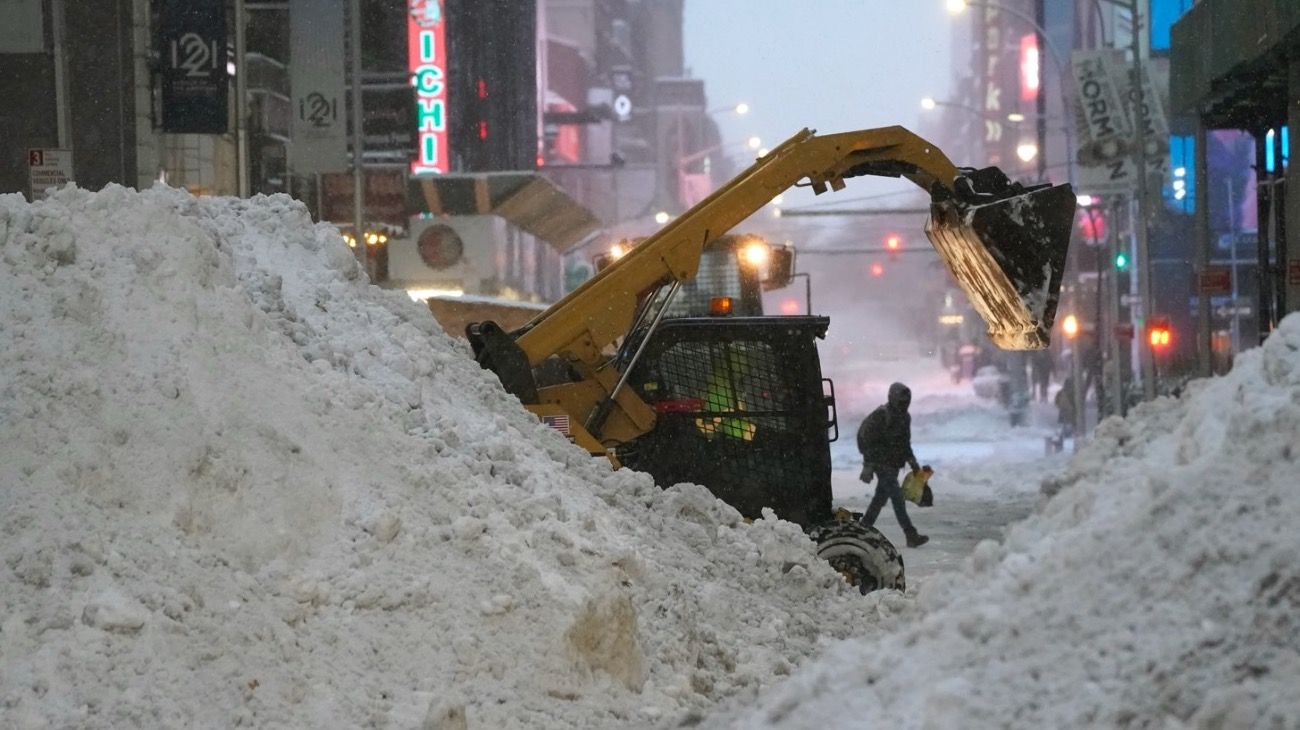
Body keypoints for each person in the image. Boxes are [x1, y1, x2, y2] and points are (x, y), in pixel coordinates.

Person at [856, 382, 929, 548]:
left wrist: (912, 462)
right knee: (897, 499)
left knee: (879, 500)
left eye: (906, 402)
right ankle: (910, 534)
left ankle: (863, 529)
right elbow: (867, 439)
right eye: (901, 402)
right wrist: (868, 464)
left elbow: (904, 442)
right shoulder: (881, 415)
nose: (904, 405)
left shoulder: (904, 417)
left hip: (894, 465)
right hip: (882, 465)